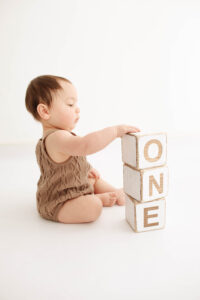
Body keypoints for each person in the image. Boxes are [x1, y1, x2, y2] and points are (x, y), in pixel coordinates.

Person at [25, 75, 141, 224]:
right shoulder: (56, 138)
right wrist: (114, 132)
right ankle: (97, 198)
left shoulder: (62, 137)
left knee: (93, 178)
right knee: (93, 207)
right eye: (70, 104)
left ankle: (114, 192)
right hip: (60, 201)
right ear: (45, 111)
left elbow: (67, 166)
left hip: (74, 186)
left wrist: (87, 169)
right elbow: (85, 145)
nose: (77, 109)